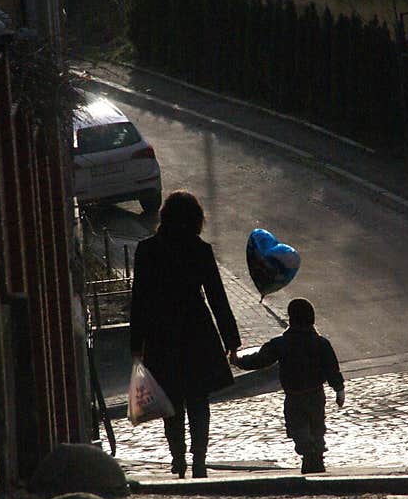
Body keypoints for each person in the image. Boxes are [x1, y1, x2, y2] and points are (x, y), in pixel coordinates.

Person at [129, 190, 241, 478]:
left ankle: (178, 458)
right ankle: (199, 460)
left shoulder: (147, 250)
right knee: (198, 400)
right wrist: (231, 341)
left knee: (172, 402)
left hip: (160, 332)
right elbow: (217, 297)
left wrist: (136, 344)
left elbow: (139, 299)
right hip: (196, 331)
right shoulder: (200, 249)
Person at [230, 298, 344, 474]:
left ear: (290, 319)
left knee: (297, 428)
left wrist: (239, 361)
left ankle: (308, 452)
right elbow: (332, 369)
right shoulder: (321, 343)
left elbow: (260, 360)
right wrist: (339, 389)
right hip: (315, 394)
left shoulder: (280, 343)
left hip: (294, 395)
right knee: (317, 426)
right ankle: (317, 454)